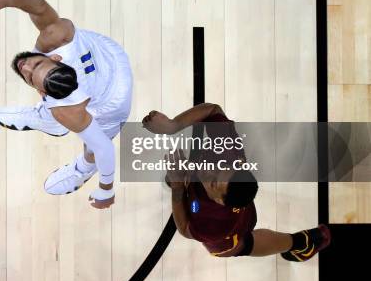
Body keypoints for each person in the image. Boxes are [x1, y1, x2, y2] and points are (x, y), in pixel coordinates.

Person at [0, 0, 133, 209]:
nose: (26, 66)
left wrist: (106, 190)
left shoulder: (67, 111)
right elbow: (39, 5)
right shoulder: (58, 36)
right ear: (56, 58)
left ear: (41, 92)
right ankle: (45, 119)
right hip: (106, 53)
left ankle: (84, 168)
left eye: (31, 76)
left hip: (113, 98)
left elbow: (104, 149)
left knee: (92, 145)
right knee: (72, 121)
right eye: (37, 63)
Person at [142, 103, 331, 260]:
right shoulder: (228, 153)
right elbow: (213, 110)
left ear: (219, 201)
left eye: (214, 182)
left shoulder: (213, 225)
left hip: (231, 232)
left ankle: (301, 243)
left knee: (237, 247)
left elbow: (184, 228)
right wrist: (173, 125)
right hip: (236, 202)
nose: (209, 171)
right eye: (219, 169)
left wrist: (178, 188)